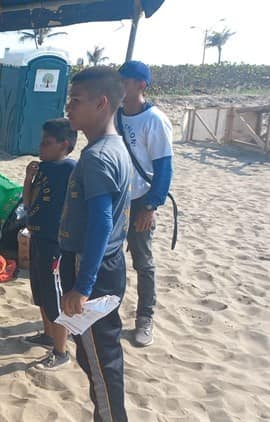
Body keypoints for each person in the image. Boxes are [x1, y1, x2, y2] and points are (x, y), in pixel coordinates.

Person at [58, 67, 132, 421]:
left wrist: (82, 286)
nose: (68, 108)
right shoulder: (116, 147)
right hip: (109, 263)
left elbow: (102, 223)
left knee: (101, 365)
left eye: (76, 101)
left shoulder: (98, 156)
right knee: (97, 356)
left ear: (102, 103)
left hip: (94, 268)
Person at [118, 61, 174, 347]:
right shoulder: (115, 116)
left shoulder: (155, 120)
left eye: (125, 81)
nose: (121, 86)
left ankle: (145, 318)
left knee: (143, 262)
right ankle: (105, 311)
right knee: (109, 257)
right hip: (116, 199)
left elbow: (164, 169)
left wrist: (151, 205)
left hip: (141, 200)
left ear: (141, 85)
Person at [21, 118, 77, 370]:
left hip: (55, 242)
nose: (41, 147)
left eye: (47, 143)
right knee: (41, 291)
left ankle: (61, 350)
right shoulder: (42, 168)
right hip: (37, 237)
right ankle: (47, 334)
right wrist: (28, 178)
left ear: (64, 145)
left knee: (55, 296)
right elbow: (28, 202)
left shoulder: (70, 169)